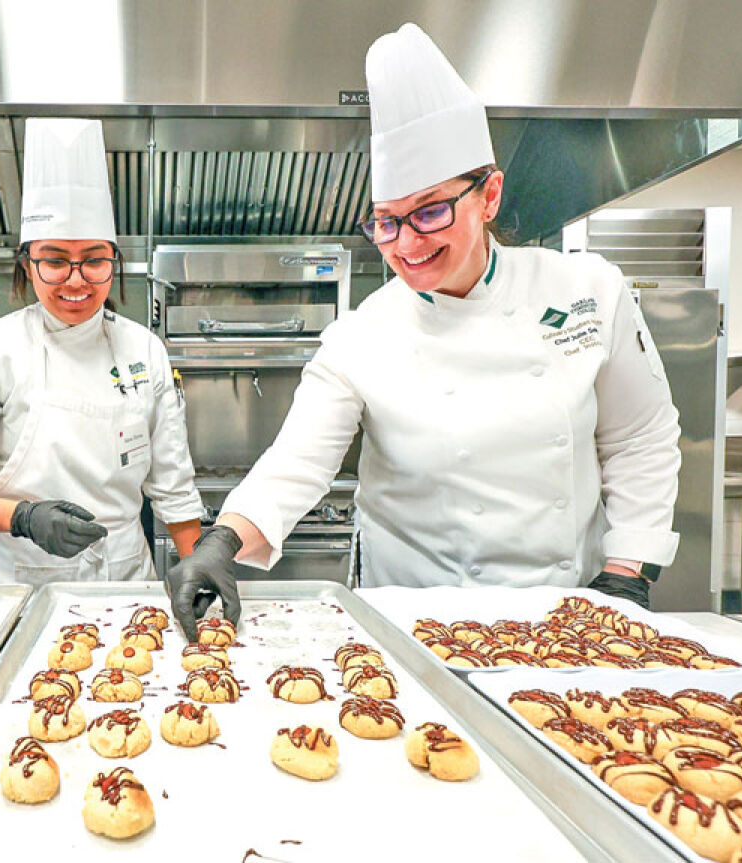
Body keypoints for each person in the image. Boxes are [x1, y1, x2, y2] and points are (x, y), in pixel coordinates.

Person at [165, 23, 682, 640]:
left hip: (566, 614)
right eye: (386, 223)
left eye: (430, 211)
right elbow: (298, 461)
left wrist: (628, 571)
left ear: (488, 196)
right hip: (411, 623)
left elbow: (640, 437)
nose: (407, 245)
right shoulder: (361, 335)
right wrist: (221, 540)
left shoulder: (589, 292)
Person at [0, 118, 202, 584]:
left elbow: (174, 488)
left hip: (123, 580)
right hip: (15, 582)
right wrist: (22, 517)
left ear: (114, 262)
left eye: (93, 260)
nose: (75, 280)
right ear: (28, 265)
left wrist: (196, 570)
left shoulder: (143, 349)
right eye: (54, 261)